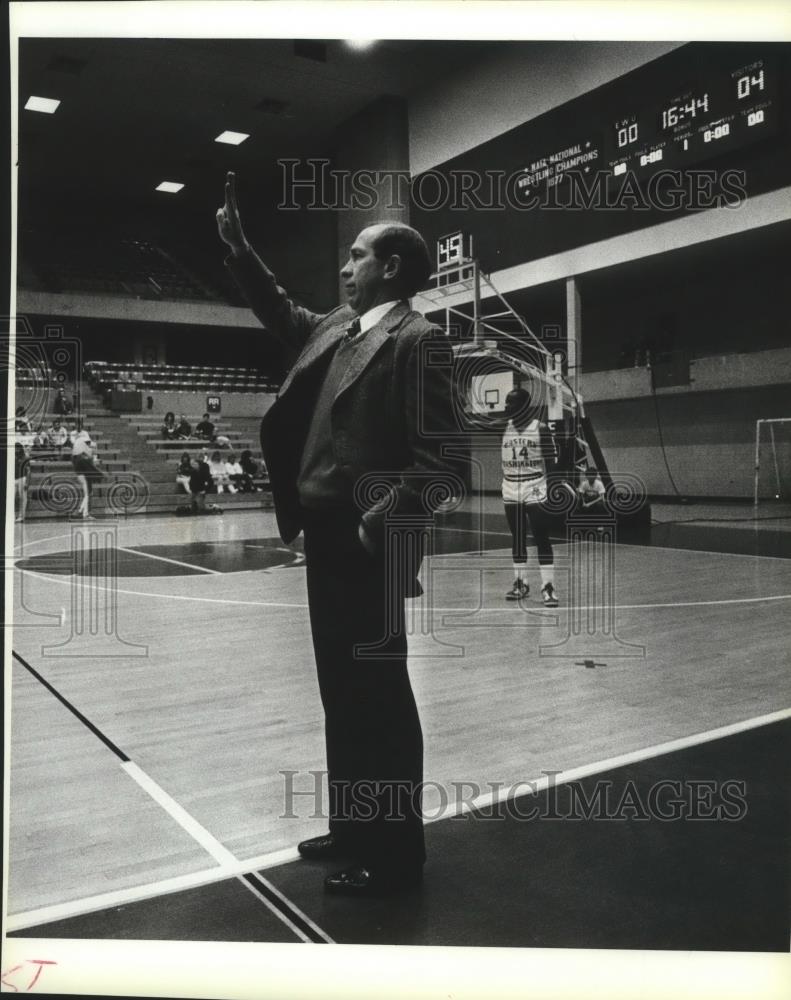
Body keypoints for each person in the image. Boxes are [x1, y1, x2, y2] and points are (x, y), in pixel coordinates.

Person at [217, 170, 457, 897]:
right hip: (322, 534)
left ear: (389, 267)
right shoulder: (335, 327)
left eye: (356, 255)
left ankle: (393, 856)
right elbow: (278, 309)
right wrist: (240, 248)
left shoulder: (419, 341)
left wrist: (371, 527)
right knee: (341, 694)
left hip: (365, 544)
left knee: (377, 700)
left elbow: (440, 463)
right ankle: (355, 827)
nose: (343, 266)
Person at [500, 386, 560, 608]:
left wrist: (553, 487)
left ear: (524, 406)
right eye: (506, 402)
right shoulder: (501, 427)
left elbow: (552, 459)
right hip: (510, 486)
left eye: (510, 403)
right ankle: (521, 583)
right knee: (517, 537)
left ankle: (548, 586)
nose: (506, 406)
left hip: (535, 484)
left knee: (541, 536)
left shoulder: (540, 428)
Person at [71, 428, 104, 519]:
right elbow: (92, 454)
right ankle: (84, 513)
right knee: (88, 492)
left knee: (88, 492)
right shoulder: (87, 445)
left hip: (79, 466)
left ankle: (81, 511)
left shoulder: (78, 446)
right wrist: (95, 458)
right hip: (83, 465)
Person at [15, 442, 30, 522]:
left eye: (18, 447)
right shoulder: (10, 456)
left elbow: (28, 471)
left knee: (22, 498)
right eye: (15, 447)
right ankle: (12, 515)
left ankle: (21, 516)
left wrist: (27, 482)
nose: (17, 449)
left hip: (22, 478)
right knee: (11, 498)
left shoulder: (25, 457)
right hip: (12, 479)